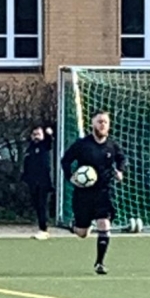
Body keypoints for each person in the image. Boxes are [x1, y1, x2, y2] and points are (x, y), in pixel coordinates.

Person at [61, 111, 126, 275]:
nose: (102, 125)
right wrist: (71, 177)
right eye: (99, 122)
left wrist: (120, 171)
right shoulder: (82, 145)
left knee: (104, 224)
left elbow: (121, 158)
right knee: (82, 233)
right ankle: (74, 225)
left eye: (105, 122)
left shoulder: (112, 145)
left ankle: (99, 263)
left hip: (104, 192)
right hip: (83, 194)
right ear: (93, 124)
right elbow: (65, 160)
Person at [22, 125, 54, 240]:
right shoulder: (30, 148)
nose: (36, 137)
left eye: (38, 134)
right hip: (32, 182)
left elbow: (49, 141)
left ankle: (43, 229)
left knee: (42, 205)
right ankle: (41, 227)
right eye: (34, 134)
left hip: (44, 182)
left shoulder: (44, 145)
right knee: (36, 205)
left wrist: (49, 134)